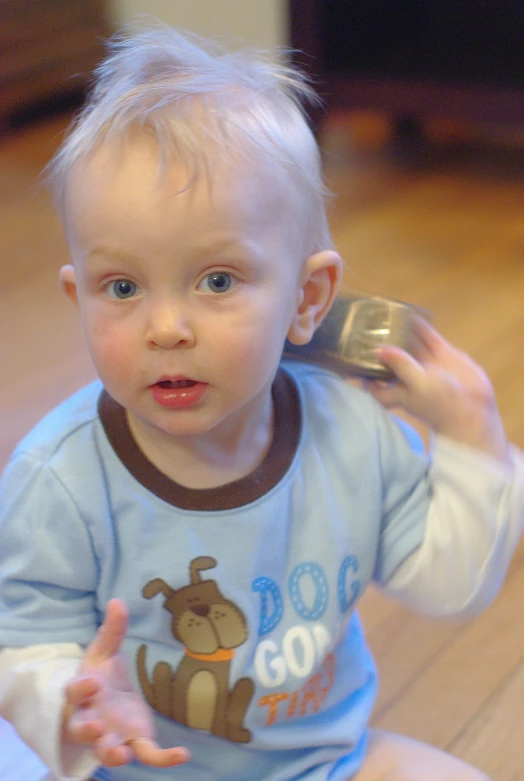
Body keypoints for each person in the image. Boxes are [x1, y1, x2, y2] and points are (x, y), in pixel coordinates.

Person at [0, 23, 522, 781]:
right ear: (79, 297)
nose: (167, 328)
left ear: (308, 299)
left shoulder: (351, 432)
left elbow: (449, 585)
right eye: (122, 288)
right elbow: (20, 638)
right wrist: (70, 699)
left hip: (323, 762)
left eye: (217, 280)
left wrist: (473, 440)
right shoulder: (60, 476)